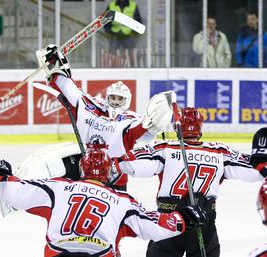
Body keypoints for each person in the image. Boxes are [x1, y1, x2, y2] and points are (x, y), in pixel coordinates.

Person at [111, 109, 267, 257]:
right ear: (200, 127)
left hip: (167, 221)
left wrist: (110, 161)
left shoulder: (164, 148)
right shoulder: (220, 151)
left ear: (178, 127)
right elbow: (256, 171)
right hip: (203, 222)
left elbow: (130, 165)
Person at [0, 144, 206, 257]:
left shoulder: (59, 187)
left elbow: (13, 192)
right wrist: (184, 217)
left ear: (82, 168)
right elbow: (155, 227)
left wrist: (1, 175)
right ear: (109, 173)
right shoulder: (122, 201)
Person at [35, 44, 174, 190]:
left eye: (119, 99)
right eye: (112, 97)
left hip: (115, 179)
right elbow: (70, 90)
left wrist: (158, 121)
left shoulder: (131, 120)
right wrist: (56, 66)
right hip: (87, 172)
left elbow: (147, 132)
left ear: (127, 101)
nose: (115, 102)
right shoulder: (90, 107)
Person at [104, 0, 143, 67]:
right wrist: (110, 31)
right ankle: (111, 70)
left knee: (131, 55)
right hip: (115, 35)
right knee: (112, 55)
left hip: (128, 35)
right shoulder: (111, 5)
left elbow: (138, 21)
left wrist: (132, 32)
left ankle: (132, 70)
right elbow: (106, 21)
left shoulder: (133, 5)